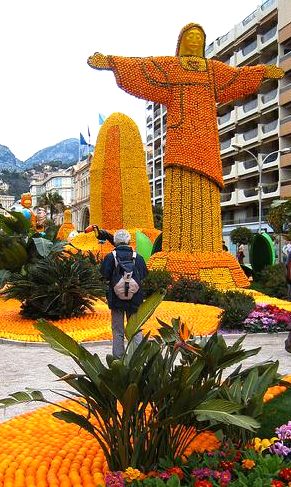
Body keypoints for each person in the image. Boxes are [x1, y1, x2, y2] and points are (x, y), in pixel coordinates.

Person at [88, 24, 284, 262]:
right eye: (190, 36)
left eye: (198, 37)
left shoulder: (212, 71)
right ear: (181, 41)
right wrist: (111, 62)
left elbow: (237, 77)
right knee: (179, 193)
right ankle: (178, 251)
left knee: (207, 194)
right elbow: (143, 68)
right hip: (179, 138)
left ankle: (210, 252)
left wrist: (262, 72)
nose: (194, 40)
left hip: (207, 141)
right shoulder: (171, 67)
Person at [100, 229, 148, 358]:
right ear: (128, 241)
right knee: (136, 329)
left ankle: (118, 358)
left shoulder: (111, 257)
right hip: (135, 299)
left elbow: (104, 274)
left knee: (117, 330)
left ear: (115, 242)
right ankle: (137, 358)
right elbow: (143, 275)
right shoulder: (138, 257)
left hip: (116, 300)